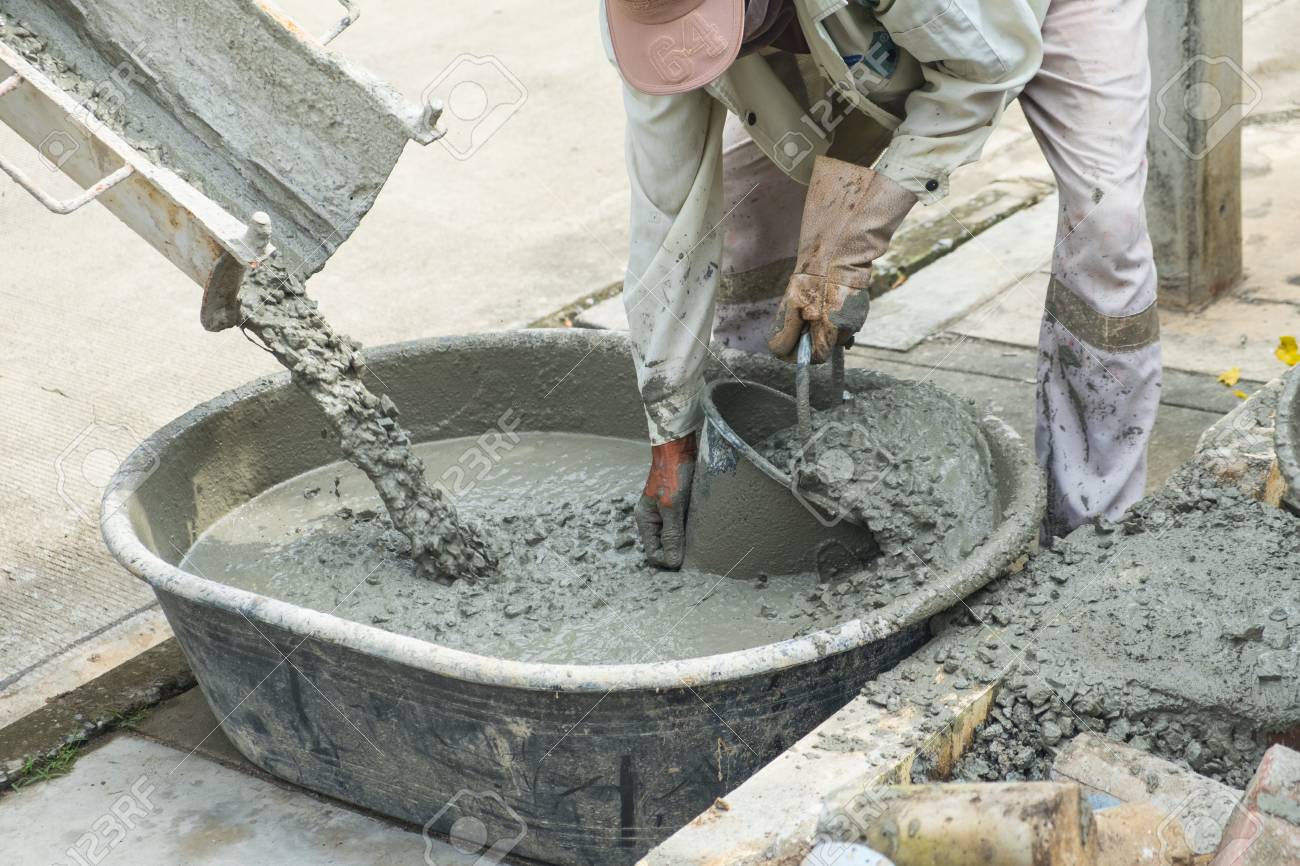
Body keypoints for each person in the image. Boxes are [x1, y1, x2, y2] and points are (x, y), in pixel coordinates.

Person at [603, 0, 1161, 567]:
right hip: (857, 27)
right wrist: (672, 436)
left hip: (1019, 18)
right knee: (750, 215)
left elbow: (985, 68)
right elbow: (668, 225)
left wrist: (857, 236)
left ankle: (1094, 534)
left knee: (1106, 225)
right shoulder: (643, 24)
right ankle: (756, 457)